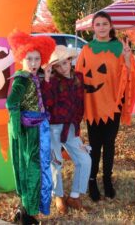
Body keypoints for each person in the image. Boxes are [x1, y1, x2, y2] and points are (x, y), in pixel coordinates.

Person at [75, 11, 135, 202]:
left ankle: (107, 180)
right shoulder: (87, 50)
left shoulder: (120, 48)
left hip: (113, 105)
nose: (101, 28)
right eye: (98, 24)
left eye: (105, 24)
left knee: (109, 144)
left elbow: (130, 76)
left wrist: (127, 59)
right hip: (94, 105)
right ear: (93, 28)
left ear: (110, 26)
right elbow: (79, 76)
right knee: (95, 145)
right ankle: (92, 180)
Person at [6, 30, 56, 225]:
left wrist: (48, 77)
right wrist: (19, 125)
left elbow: (39, 100)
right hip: (29, 131)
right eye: (29, 59)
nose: (34, 63)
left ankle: (28, 209)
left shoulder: (32, 76)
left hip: (37, 128)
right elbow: (11, 103)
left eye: (37, 59)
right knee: (32, 169)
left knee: (36, 167)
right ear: (21, 59)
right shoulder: (22, 78)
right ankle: (28, 211)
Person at [42, 45, 91, 214]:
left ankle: (75, 196)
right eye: (58, 65)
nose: (62, 68)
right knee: (56, 162)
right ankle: (59, 196)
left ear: (70, 61)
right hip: (53, 127)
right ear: (53, 68)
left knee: (85, 160)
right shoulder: (52, 82)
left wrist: (77, 127)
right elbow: (47, 103)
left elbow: (79, 103)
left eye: (65, 63)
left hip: (71, 127)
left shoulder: (79, 77)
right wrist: (47, 80)